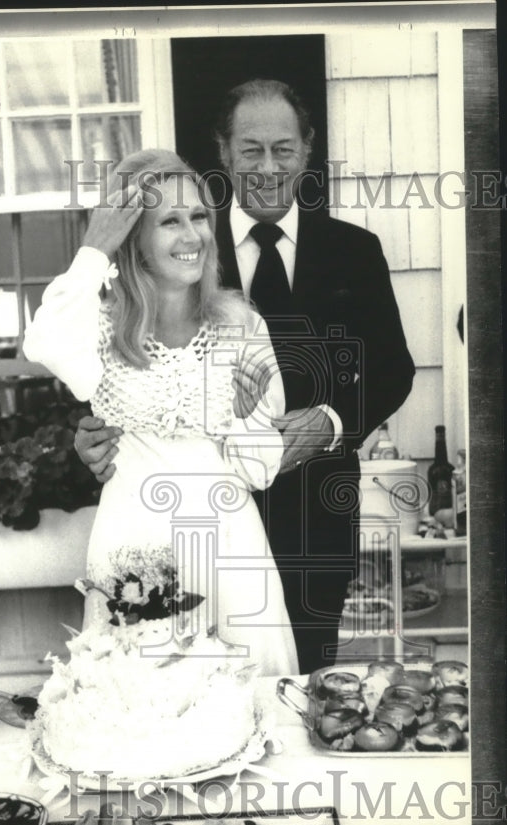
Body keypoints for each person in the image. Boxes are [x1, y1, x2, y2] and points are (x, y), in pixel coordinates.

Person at [76, 80, 415, 674]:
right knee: (170, 679)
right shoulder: (179, 243)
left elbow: (393, 369)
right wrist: (90, 436)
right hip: (185, 523)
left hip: (313, 508)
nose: (268, 166)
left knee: (293, 681)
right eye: (251, 149)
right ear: (224, 153)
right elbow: (111, 352)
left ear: (307, 151)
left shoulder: (354, 251)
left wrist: (331, 422)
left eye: (283, 148)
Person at [24, 148, 298, 677]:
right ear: (134, 242)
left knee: (247, 711)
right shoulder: (101, 330)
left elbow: (261, 470)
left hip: (231, 548)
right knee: (143, 717)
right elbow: (45, 343)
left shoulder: (241, 326)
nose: (192, 235)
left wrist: (243, 417)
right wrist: (94, 249)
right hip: (135, 548)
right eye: (170, 221)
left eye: (198, 217)